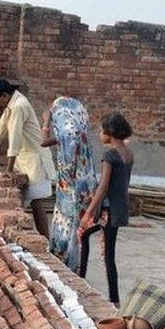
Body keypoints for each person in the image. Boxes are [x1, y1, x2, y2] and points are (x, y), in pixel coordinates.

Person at [0, 79, 56, 237]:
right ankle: (41, 241)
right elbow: (2, 128)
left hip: (35, 159)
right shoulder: (12, 104)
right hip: (26, 159)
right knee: (31, 203)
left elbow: (15, 138)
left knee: (37, 203)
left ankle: (45, 242)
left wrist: (8, 169)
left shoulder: (18, 106)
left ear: (4, 95)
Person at [77, 112, 134, 305]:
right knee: (88, 239)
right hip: (119, 208)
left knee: (108, 254)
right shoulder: (127, 152)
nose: (100, 134)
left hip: (108, 211)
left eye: (102, 131)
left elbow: (103, 186)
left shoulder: (109, 155)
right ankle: (82, 280)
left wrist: (89, 213)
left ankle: (113, 298)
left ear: (110, 132)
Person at [40, 96, 97, 272]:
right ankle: (73, 264)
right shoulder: (77, 132)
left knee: (69, 227)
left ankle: (69, 267)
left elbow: (43, 141)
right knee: (75, 228)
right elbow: (46, 143)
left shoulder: (67, 134)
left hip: (71, 189)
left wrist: (45, 122)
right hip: (83, 188)